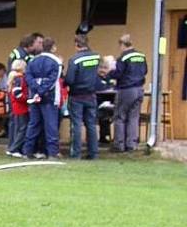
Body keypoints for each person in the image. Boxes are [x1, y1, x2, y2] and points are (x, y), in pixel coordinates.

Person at [22, 37, 62, 159]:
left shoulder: (33, 61)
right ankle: (52, 153)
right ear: (53, 47)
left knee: (33, 124)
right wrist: (42, 91)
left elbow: (28, 76)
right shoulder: (56, 61)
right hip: (49, 96)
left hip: (34, 96)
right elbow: (53, 80)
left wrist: (36, 90)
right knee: (51, 125)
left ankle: (27, 151)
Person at [108, 34, 147, 152]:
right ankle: (132, 144)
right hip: (139, 89)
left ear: (122, 45)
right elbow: (145, 71)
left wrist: (110, 73)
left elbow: (118, 73)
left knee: (120, 116)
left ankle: (119, 144)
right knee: (134, 117)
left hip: (126, 89)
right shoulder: (141, 56)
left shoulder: (123, 58)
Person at [64, 31, 100, 159]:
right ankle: (93, 153)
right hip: (91, 95)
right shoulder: (96, 57)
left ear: (76, 44)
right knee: (91, 124)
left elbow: (69, 79)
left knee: (77, 124)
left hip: (77, 96)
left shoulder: (75, 60)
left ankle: (76, 154)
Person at [6, 59, 29, 157]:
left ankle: (15, 148)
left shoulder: (14, 78)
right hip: (21, 107)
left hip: (17, 107)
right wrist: (28, 99)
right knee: (22, 129)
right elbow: (17, 94)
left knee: (19, 128)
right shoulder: (19, 78)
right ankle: (14, 148)